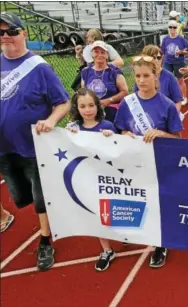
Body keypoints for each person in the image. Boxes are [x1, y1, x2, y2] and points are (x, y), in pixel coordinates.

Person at [0, 12, 71, 270]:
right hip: (4, 147)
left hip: (33, 147)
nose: (5, 37)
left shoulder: (40, 67)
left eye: (11, 31)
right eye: (1, 33)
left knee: (40, 198)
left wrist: (52, 120)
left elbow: (63, 102)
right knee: (20, 196)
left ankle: (44, 239)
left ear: (23, 33)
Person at [115, 55, 183, 268]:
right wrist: (125, 134)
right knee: (136, 198)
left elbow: (177, 139)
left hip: (158, 163)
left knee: (156, 203)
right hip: (134, 162)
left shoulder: (167, 105)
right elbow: (122, 128)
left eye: (146, 75)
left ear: (156, 77)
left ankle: (159, 243)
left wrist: (160, 134)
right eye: (137, 76)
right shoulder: (128, 103)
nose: (142, 80)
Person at [66, 88, 118, 271]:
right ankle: (106, 249)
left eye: (91, 105)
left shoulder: (108, 126)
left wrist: (112, 138)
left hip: (109, 179)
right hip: (87, 180)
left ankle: (127, 236)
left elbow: (120, 152)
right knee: (96, 214)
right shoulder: (72, 129)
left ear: (97, 106)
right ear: (76, 108)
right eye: (82, 106)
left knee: (115, 210)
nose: (87, 110)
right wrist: (66, 137)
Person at [80, 40, 129, 123]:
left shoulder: (114, 71)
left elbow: (124, 92)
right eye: (96, 52)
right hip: (92, 113)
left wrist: (108, 100)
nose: (100, 55)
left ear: (107, 55)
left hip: (112, 112)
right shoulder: (86, 72)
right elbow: (83, 92)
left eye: (103, 52)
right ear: (92, 54)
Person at [137, 45, 184, 118]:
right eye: (153, 57)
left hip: (166, 117)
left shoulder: (169, 77)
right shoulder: (141, 77)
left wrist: (172, 119)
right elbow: (137, 100)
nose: (156, 60)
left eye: (159, 58)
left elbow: (178, 102)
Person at [161, 20, 188, 106]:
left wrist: (180, 52)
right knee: (165, 79)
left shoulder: (181, 39)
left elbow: (187, 50)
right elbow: (162, 52)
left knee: (180, 80)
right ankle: (167, 97)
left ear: (177, 28)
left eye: (174, 27)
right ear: (168, 28)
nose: (172, 29)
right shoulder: (165, 39)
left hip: (178, 62)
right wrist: (161, 62)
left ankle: (184, 97)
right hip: (167, 62)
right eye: (170, 27)